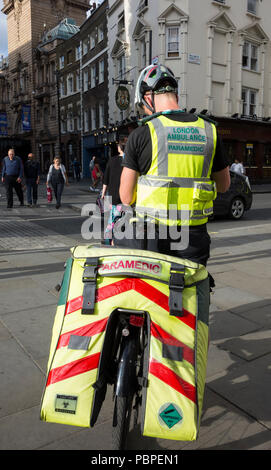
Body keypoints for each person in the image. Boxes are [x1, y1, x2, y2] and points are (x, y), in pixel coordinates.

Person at [115, 63, 230, 266]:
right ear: (175, 95)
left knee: (153, 295)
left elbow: (126, 196)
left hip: (152, 236)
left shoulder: (142, 133)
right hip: (193, 236)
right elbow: (223, 186)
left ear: (148, 98)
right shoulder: (209, 130)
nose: (144, 112)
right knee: (191, 292)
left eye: (142, 107)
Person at [101, 143, 125, 245]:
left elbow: (106, 178)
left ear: (119, 149)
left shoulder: (112, 160)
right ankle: (117, 239)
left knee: (112, 218)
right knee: (123, 218)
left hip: (113, 195)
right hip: (127, 196)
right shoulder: (131, 161)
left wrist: (103, 193)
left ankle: (108, 239)